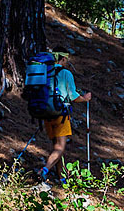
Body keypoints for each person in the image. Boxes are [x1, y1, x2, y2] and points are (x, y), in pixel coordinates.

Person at [38, 50, 92, 184]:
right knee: (60, 147)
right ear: (62, 59)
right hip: (61, 115)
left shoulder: (46, 72)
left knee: (56, 146)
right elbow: (73, 96)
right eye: (66, 59)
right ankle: (44, 170)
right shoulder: (66, 74)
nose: (67, 62)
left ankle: (61, 177)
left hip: (47, 114)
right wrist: (85, 98)